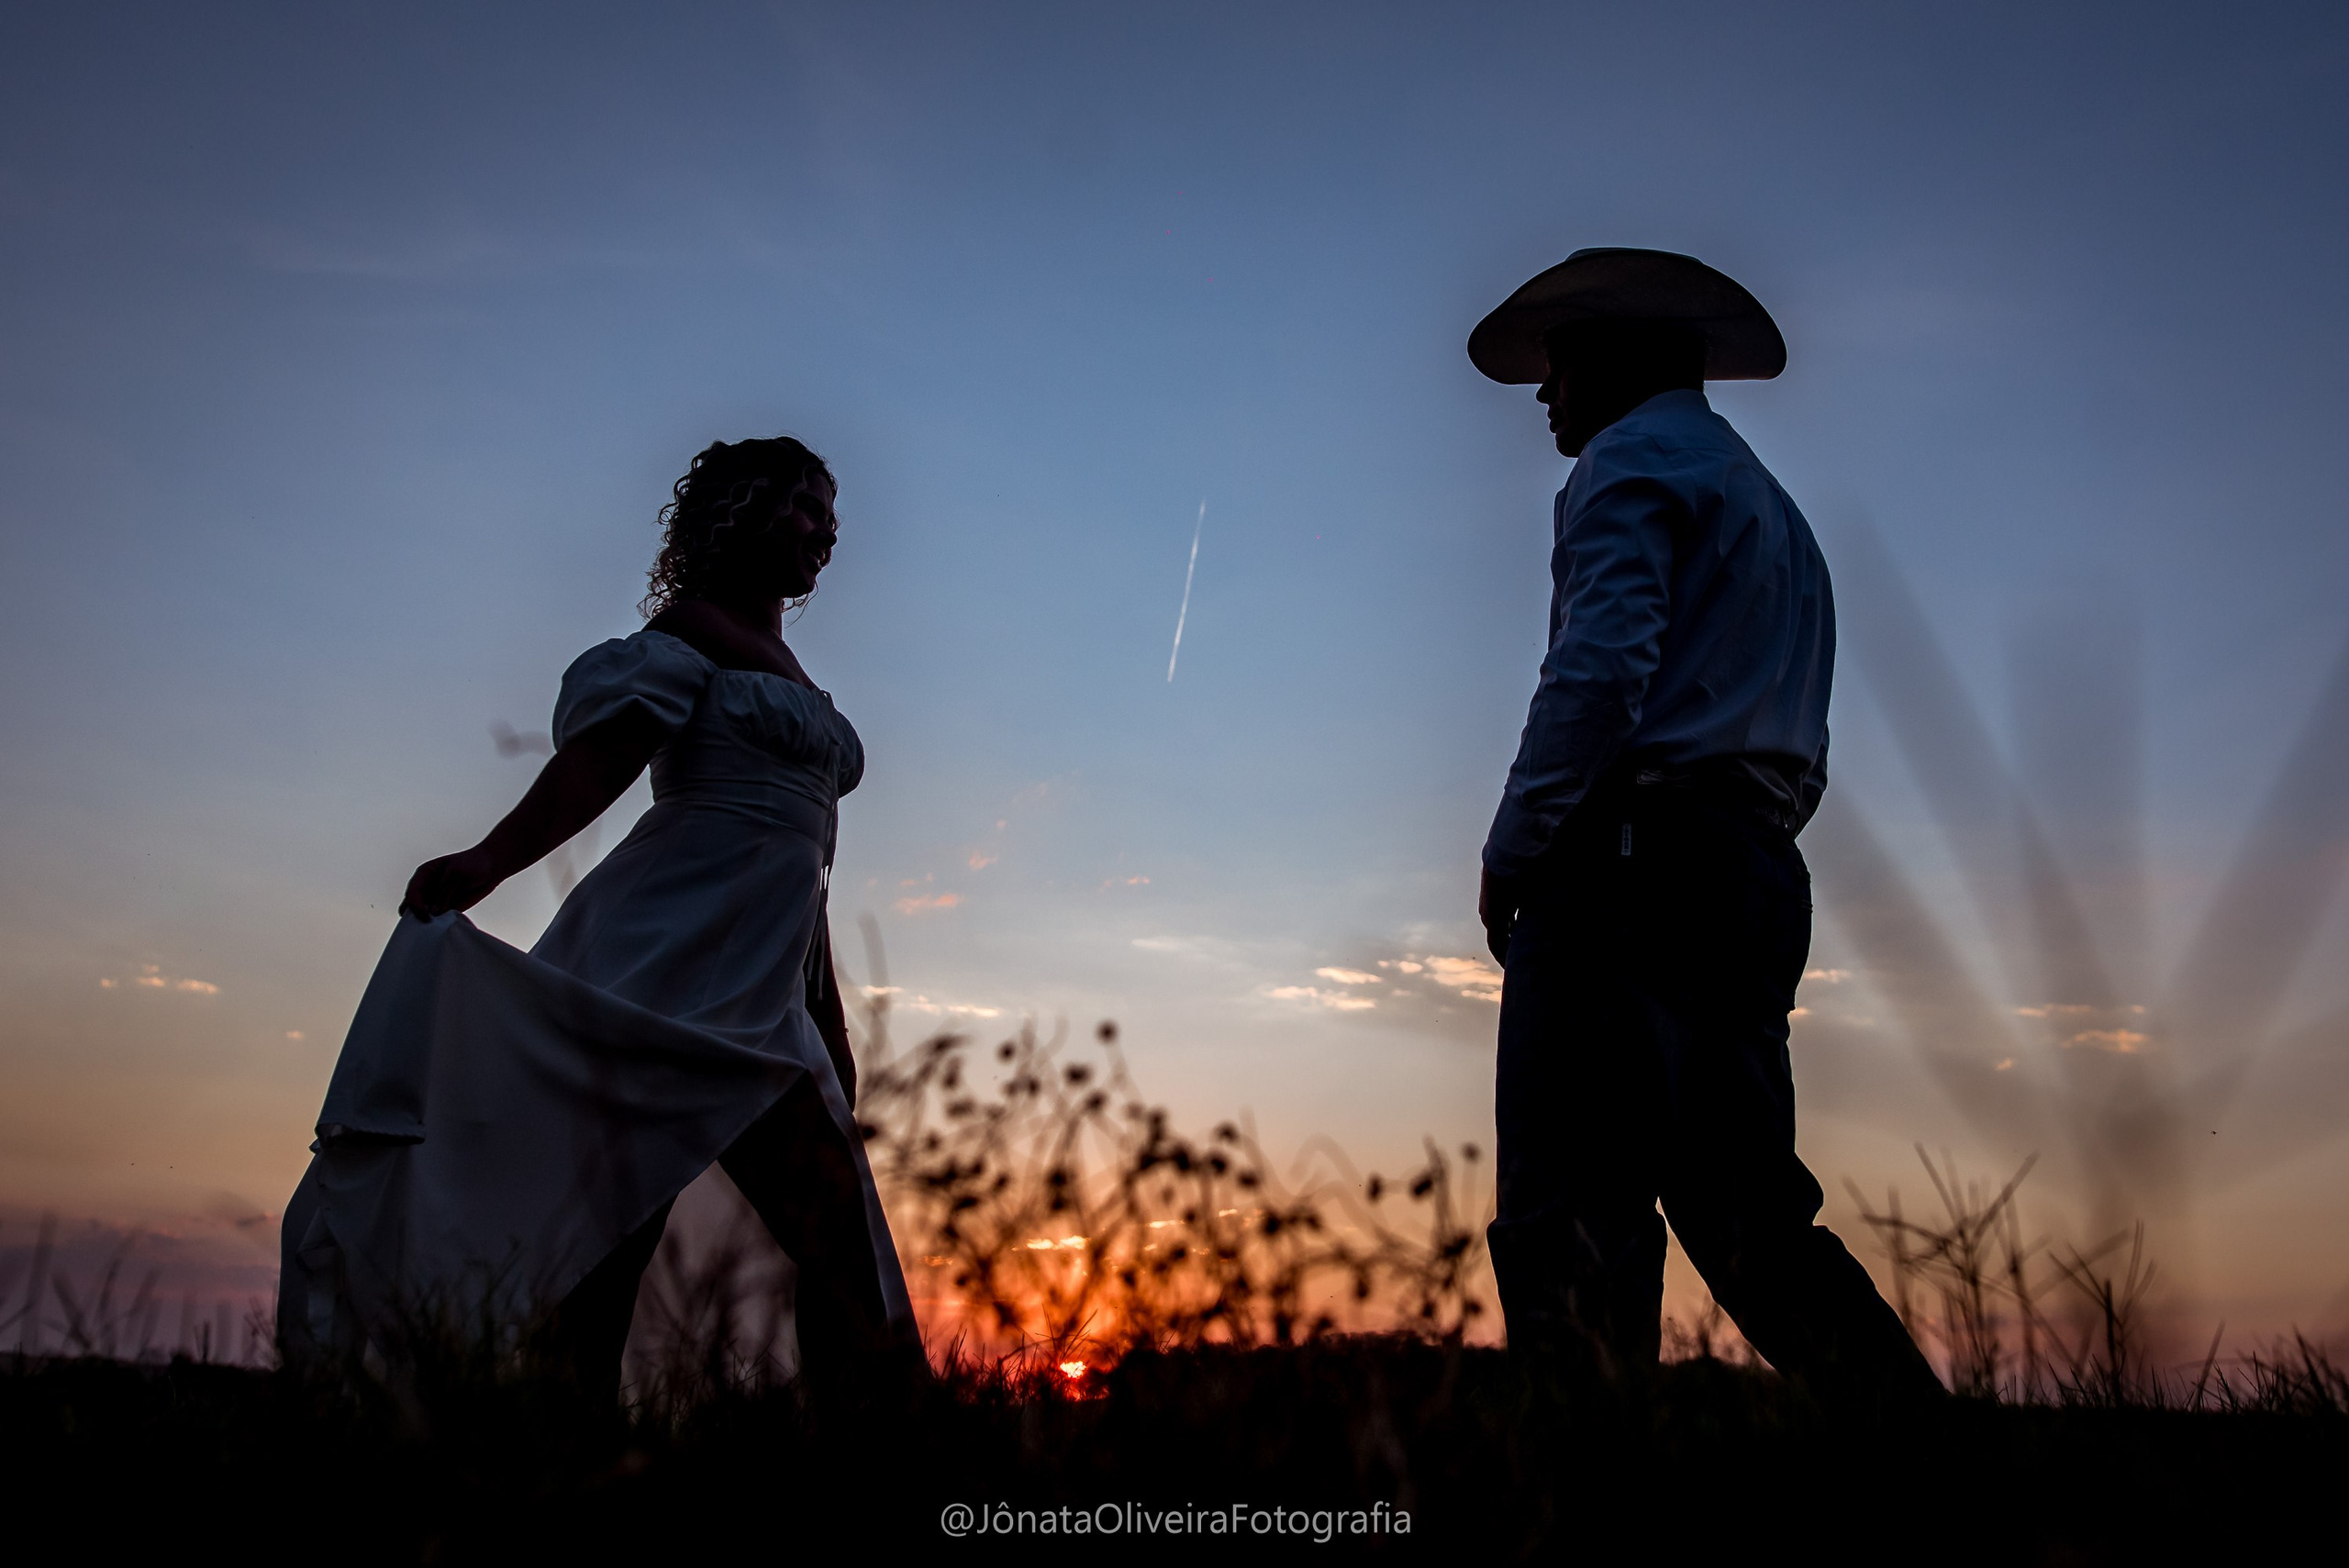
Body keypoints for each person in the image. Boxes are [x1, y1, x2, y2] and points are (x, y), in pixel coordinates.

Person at [277, 436, 918, 1405]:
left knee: (842, 1249)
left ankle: (876, 1468)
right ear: (741, 510)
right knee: (602, 1248)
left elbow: (805, 866)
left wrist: (824, 1019)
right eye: (803, 505)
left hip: (765, 999)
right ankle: (546, 1468)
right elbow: (600, 763)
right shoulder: (688, 634)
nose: (825, 528)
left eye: (831, 513)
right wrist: (488, 859)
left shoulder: (788, 665)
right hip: (655, 972)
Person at [1468, 249, 1942, 1401]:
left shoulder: (1627, 462)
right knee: (1750, 1218)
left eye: (1557, 362)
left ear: (1616, 359)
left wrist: (1516, 844)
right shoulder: (1774, 511)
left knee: (1572, 1218)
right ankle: (1945, 1477)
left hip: (1625, 866)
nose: (1544, 392)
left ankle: (1577, 1521)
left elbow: (1599, 668)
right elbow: (1800, 732)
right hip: (1752, 872)